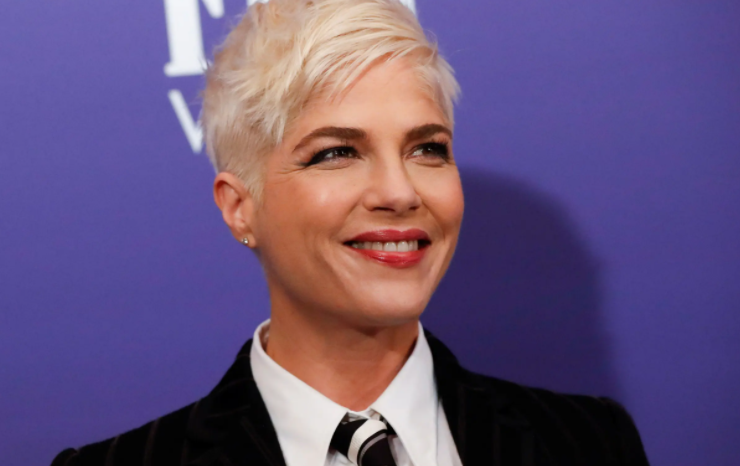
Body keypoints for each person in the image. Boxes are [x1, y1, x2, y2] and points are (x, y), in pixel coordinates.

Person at [51, 0, 650, 465]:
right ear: (240, 208)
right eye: (337, 152)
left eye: (427, 148)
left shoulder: (589, 443)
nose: (399, 192)